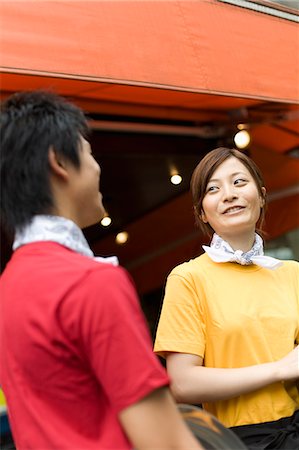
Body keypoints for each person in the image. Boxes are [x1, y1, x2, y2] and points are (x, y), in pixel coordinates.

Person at [0, 90, 202, 450]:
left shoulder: (8, 286)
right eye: (89, 153)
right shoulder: (91, 282)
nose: (97, 167)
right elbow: (167, 443)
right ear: (59, 161)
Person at [154, 147, 299, 450]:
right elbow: (182, 383)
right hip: (238, 441)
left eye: (238, 182)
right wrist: (278, 370)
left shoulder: (293, 273)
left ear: (261, 196)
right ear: (202, 211)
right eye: (213, 188)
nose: (229, 194)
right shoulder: (188, 278)